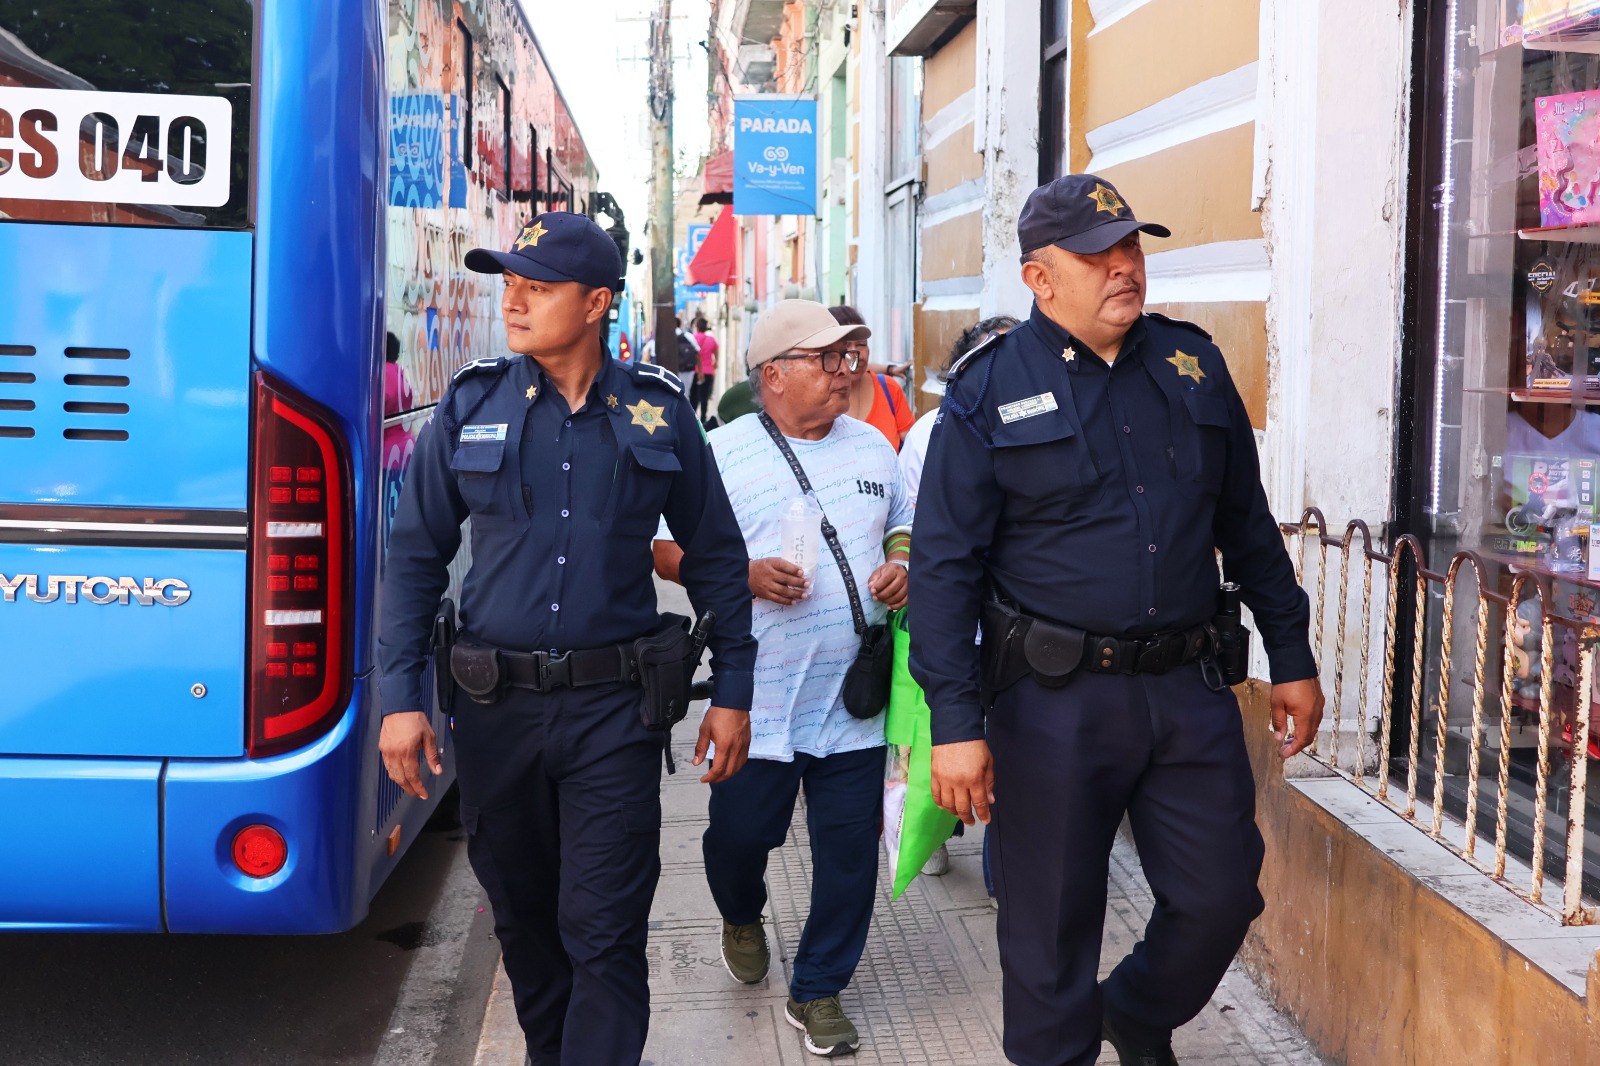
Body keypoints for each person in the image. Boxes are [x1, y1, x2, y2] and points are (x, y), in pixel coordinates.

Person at [909, 175, 1325, 1066]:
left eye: (1131, 249)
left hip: (1187, 689)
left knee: (1220, 896)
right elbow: (943, 570)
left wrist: (1291, 652)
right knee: (1049, 933)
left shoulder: (1192, 365)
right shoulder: (987, 393)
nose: (1124, 270)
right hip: (1051, 704)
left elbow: (1246, 527)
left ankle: (1135, 1011)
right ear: (1039, 278)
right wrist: (953, 723)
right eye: (1097, 257)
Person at [376, 211, 758, 1066]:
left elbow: (717, 557)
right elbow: (413, 562)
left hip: (612, 717)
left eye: (535, 287)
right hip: (492, 714)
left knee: (605, 931)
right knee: (526, 927)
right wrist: (400, 700)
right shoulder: (472, 404)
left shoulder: (657, 414)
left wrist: (734, 690)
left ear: (596, 304)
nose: (512, 302)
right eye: (508, 284)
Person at [653, 299, 913, 1058]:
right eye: (825, 360)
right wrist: (740, 574)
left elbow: (902, 517)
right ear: (774, 375)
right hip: (757, 703)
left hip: (852, 703)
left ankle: (819, 987)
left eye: (847, 360)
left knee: (847, 856)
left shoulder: (872, 448)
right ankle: (740, 911)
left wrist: (900, 561)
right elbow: (665, 551)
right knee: (740, 837)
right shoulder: (720, 453)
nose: (843, 374)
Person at [829, 304, 913, 450]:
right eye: (846, 346)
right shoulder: (820, 399)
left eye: (861, 344)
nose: (856, 354)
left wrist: (889, 370)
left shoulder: (889, 389)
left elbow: (914, 448)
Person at [692, 315, 719, 422]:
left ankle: (693, 417)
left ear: (697, 327)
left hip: (695, 371)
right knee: (704, 395)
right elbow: (716, 349)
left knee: (694, 395)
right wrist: (715, 361)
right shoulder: (711, 339)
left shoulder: (693, 338)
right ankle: (703, 417)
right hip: (708, 371)